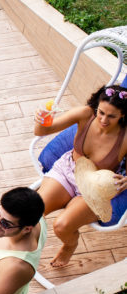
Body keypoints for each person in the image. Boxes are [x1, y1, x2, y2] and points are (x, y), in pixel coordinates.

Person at [34, 85, 127, 267]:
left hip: (95, 186)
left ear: (123, 115)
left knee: (62, 226)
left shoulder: (125, 137)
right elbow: (41, 131)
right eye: (101, 112)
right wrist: (41, 118)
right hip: (67, 170)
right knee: (31, 213)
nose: (103, 119)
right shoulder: (85, 114)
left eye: (111, 116)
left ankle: (70, 245)